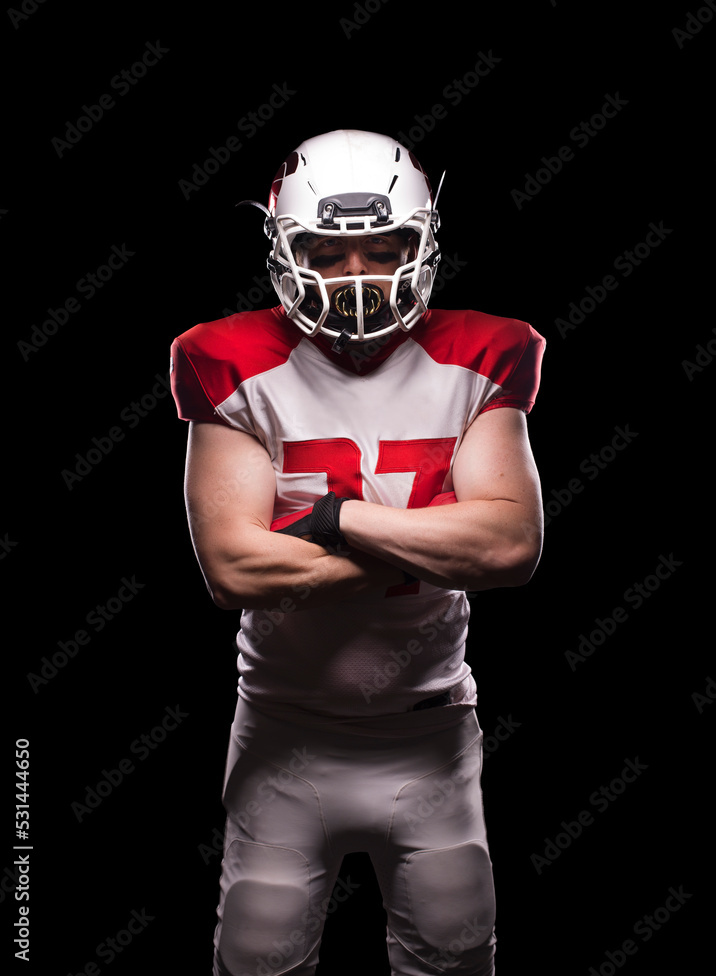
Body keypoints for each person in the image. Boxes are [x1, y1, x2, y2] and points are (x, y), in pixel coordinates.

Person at [170, 128, 546, 976]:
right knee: (257, 958)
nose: (360, 277)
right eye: (330, 253)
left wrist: (338, 520)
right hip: (283, 732)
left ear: (424, 244)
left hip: (433, 735)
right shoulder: (225, 358)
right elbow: (234, 570)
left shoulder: (484, 351)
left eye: (385, 249)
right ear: (284, 250)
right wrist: (435, 539)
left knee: (455, 956)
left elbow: (512, 544)